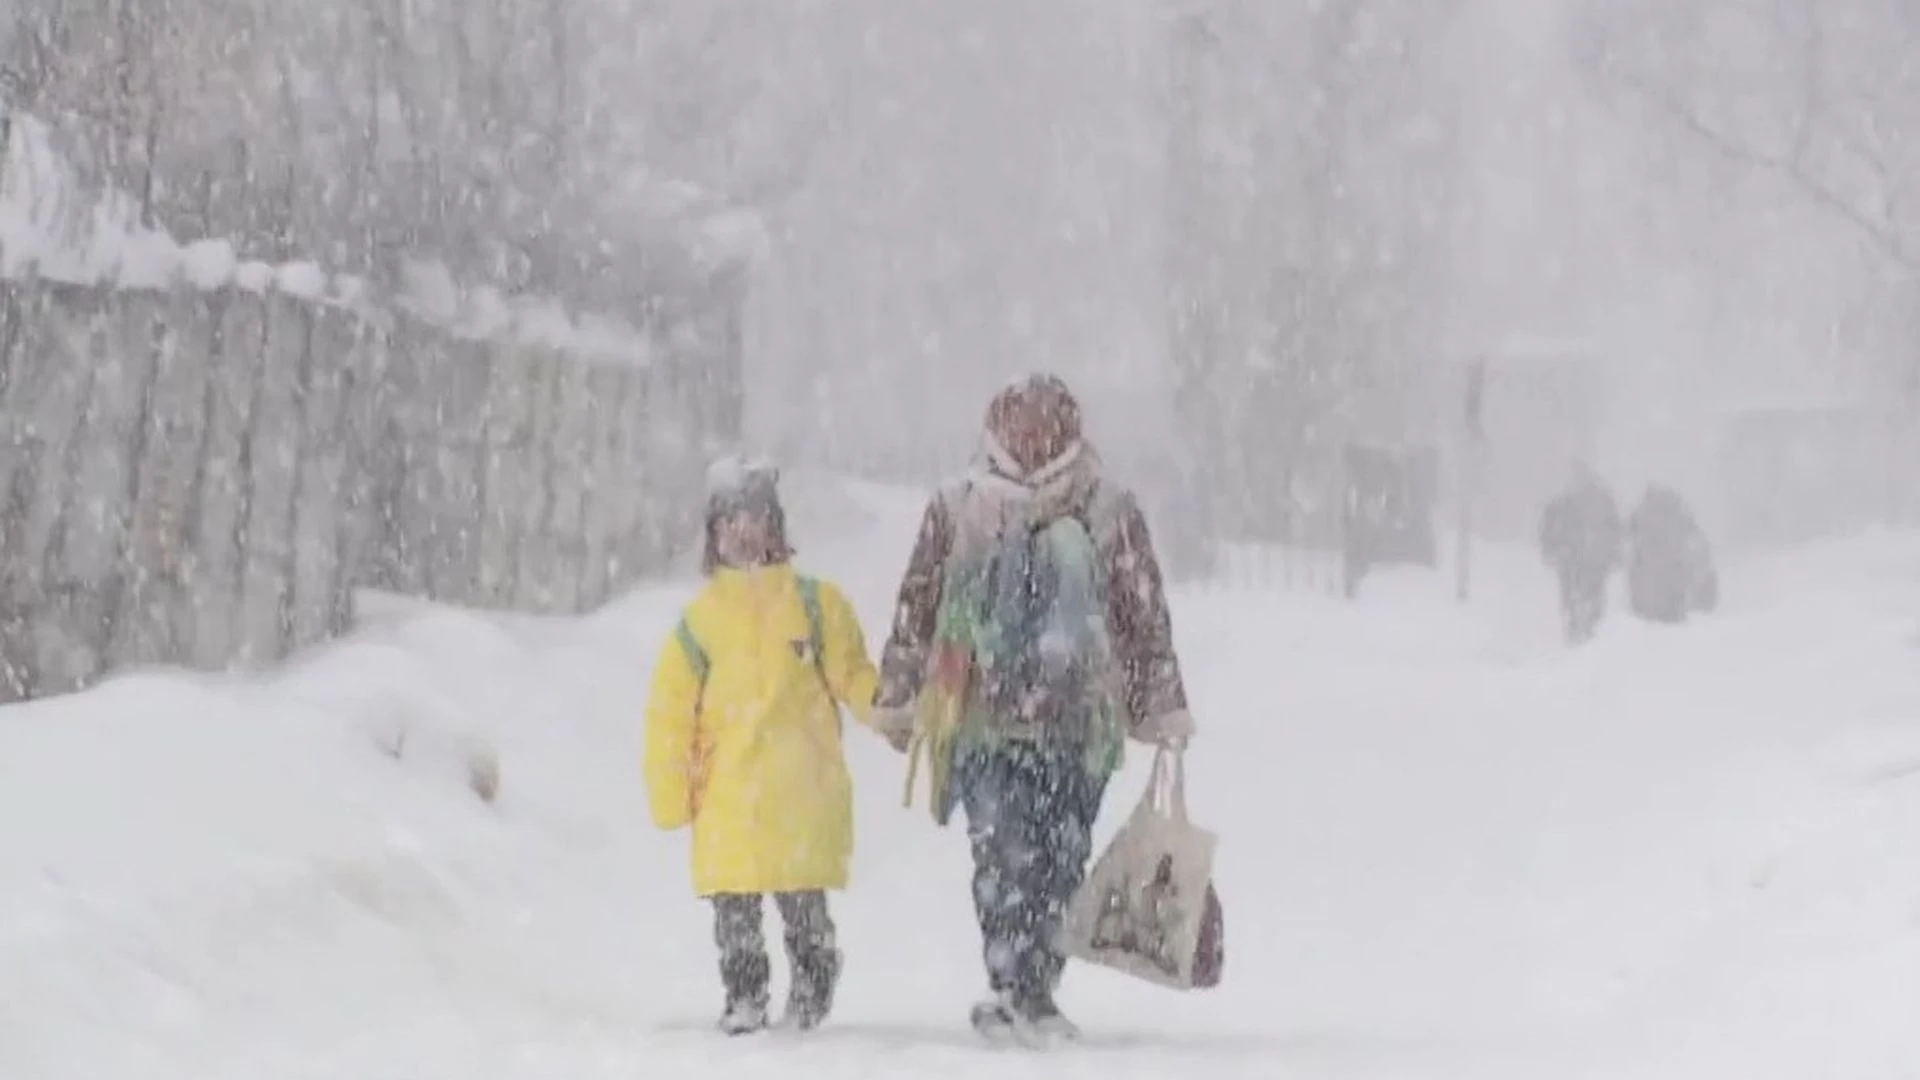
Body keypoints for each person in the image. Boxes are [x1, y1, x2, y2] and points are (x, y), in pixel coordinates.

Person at [872, 374, 1197, 1040]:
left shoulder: (1108, 510)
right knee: (1001, 852)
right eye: (1021, 426)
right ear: (997, 430)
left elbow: (1142, 615)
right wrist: (901, 696)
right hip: (983, 724)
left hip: (1080, 729)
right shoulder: (959, 507)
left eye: (1048, 427)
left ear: (1072, 432)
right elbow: (919, 603)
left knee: (1060, 857)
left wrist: (1161, 706)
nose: (1033, 440)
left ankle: (1034, 981)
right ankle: (1011, 979)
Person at [641, 456, 894, 1036]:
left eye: (754, 518)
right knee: (734, 912)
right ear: (712, 534)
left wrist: (886, 711)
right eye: (729, 520)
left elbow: (852, 674)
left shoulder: (816, 605)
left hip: (801, 789)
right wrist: (669, 790)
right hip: (727, 796)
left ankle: (813, 980)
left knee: (803, 903)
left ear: (777, 527)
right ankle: (745, 996)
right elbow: (669, 717)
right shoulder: (699, 624)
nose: (743, 531)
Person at [1538, 463, 1624, 644]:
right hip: (1581, 558)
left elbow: (1614, 530)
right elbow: (1615, 530)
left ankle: (1581, 627)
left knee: (1579, 593)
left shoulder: (1564, 503)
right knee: (1584, 593)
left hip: (1579, 558)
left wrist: (1550, 550)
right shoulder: (1597, 502)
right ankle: (1583, 627)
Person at [1625, 484, 1718, 623]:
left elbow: (1632, 531)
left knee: (1657, 582)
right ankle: (1671, 611)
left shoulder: (1644, 511)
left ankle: (1655, 611)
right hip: (1670, 557)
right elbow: (1689, 528)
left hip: (1655, 557)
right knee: (1671, 582)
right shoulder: (1675, 509)